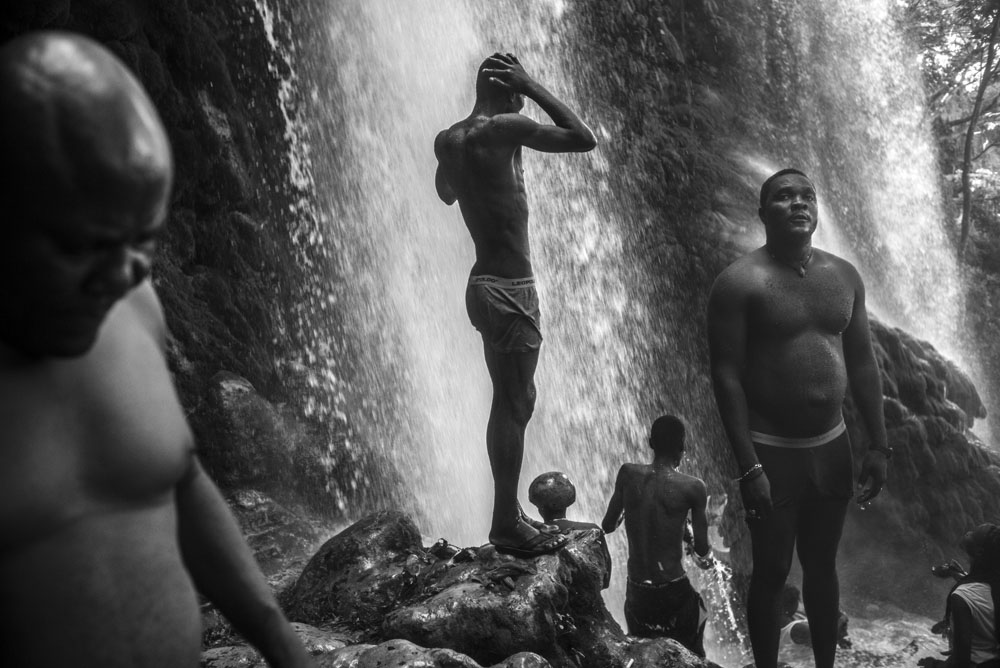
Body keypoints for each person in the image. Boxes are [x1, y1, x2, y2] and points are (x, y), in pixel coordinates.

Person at [0, 32, 313, 667]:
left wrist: (281, 642)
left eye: (143, 239)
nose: (121, 274)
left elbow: (178, 479)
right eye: (82, 246)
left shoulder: (135, 304)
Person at [707, 168, 890, 668]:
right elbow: (726, 378)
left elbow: (862, 361)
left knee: (823, 567)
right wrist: (748, 467)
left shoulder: (844, 276)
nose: (798, 203)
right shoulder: (739, 282)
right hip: (772, 450)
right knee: (770, 569)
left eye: (806, 195)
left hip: (833, 445)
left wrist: (878, 444)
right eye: (784, 197)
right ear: (763, 213)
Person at [434, 52, 596, 557]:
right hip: (511, 288)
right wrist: (535, 86)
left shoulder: (450, 139)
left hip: (480, 285)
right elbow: (582, 137)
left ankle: (506, 512)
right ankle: (505, 521)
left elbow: (444, 193)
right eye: (519, 88)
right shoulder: (507, 126)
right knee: (517, 401)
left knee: (506, 398)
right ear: (511, 89)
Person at [601, 415, 715, 657]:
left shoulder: (627, 474)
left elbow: (608, 525)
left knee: (642, 652)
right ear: (682, 447)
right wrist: (703, 554)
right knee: (694, 636)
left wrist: (628, 510)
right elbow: (702, 550)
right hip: (672, 592)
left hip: (637, 591)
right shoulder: (693, 487)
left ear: (650, 442)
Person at [919, 524, 1000, 668]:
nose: (969, 533)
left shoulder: (962, 597)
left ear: (978, 551)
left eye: (974, 533)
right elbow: (985, 591)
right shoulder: (990, 583)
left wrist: (933, 664)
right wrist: (954, 574)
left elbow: (961, 663)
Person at [528, 471, 612, 588]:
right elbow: (605, 579)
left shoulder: (531, 537)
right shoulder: (592, 530)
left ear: (539, 507)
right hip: (589, 602)